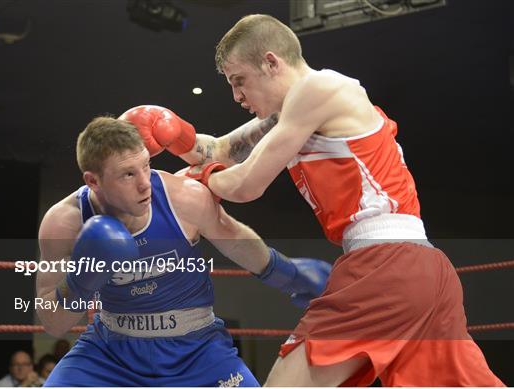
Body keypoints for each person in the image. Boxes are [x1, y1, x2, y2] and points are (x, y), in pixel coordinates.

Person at [122, 14, 505, 387]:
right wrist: (177, 135)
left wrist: (198, 179)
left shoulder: (320, 89)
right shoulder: (297, 111)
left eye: (240, 81)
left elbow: (247, 185)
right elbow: (222, 149)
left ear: (271, 62)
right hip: (421, 269)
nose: (236, 95)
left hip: (384, 267)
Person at [36, 116, 330, 386]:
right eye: (127, 174)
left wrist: (289, 275)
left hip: (197, 349)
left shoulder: (182, 197)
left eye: (145, 166)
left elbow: (233, 236)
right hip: (111, 352)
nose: (144, 184)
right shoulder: (64, 224)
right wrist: (81, 280)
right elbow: (53, 323)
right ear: (93, 181)